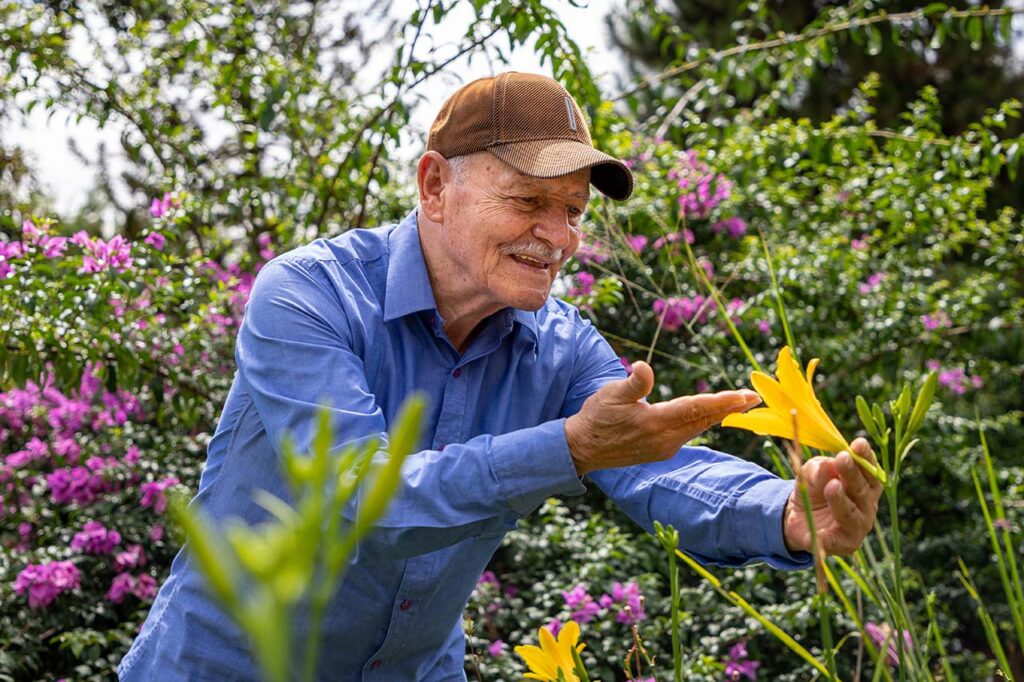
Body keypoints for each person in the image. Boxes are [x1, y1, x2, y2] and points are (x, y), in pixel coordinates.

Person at [118, 71, 881, 681]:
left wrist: (786, 511)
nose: (559, 237)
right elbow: (357, 498)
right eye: (529, 202)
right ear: (433, 187)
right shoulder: (309, 296)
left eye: (575, 211)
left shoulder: (561, 345)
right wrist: (568, 450)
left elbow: (652, 462)